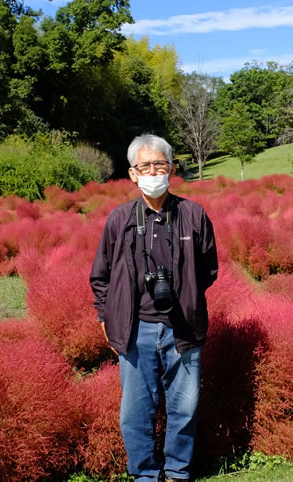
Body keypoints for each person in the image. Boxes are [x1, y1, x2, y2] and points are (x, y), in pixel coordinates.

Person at [90, 134, 219, 482]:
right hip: (135, 329)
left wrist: (188, 296)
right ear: (132, 174)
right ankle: (145, 475)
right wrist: (105, 315)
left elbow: (209, 268)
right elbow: (100, 275)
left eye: (159, 164)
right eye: (144, 166)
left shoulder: (192, 214)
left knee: (184, 408)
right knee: (135, 411)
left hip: (183, 327)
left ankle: (177, 472)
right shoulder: (120, 220)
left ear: (172, 168)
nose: (153, 172)